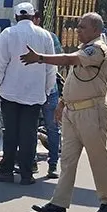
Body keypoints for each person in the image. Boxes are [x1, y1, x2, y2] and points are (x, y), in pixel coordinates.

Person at [24, 12, 107, 212]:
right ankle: (59, 203)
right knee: (67, 160)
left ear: (96, 30)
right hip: (73, 112)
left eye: (83, 27)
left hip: (91, 112)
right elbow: (76, 79)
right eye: (78, 26)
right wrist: (62, 103)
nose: (78, 30)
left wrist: (39, 58)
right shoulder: (85, 48)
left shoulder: (97, 49)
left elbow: (68, 59)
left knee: (98, 158)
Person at [0, 3, 56, 185]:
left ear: (16, 17)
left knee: (10, 133)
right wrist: (46, 90)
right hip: (35, 94)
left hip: (10, 93)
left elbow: (0, 63)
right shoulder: (45, 36)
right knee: (29, 134)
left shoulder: (8, 33)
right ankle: (26, 174)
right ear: (33, 16)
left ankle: (6, 171)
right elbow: (50, 67)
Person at [34, 10, 63, 179]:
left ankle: (50, 164)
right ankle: (38, 164)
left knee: (50, 128)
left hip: (43, 90)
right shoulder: (48, 37)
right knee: (45, 128)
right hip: (41, 89)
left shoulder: (49, 37)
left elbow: (59, 59)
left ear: (37, 19)